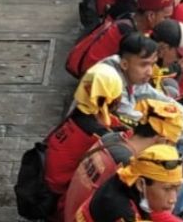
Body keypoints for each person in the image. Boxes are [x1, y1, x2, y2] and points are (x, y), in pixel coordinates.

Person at [100, 34, 183, 216]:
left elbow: (164, 102)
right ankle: (175, 208)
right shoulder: (112, 83)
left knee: (175, 133)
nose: (150, 71)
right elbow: (150, 125)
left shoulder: (121, 67)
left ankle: (179, 200)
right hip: (107, 136)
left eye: (152, 64)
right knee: (169, 147)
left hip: (111, 135)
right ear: (125, 64)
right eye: (144, 64)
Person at [63, 99, 183, 222]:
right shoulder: (126, 163)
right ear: (162, 141)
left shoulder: (113, 137)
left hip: (69, 207)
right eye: (172, 144)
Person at [44, 64, 124, 216]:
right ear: (108, 98)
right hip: (59, 200)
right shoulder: (96, 135)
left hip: (49, 186)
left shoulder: (78, 112)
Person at [73, 144, 183, 222]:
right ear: (141, 184)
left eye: (177, 188)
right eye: (167, 189)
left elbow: (157, 213)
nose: (173, 199)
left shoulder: (129, 175)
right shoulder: (122, 212)